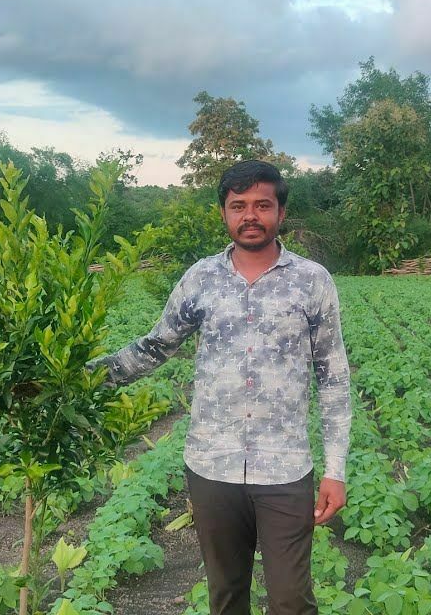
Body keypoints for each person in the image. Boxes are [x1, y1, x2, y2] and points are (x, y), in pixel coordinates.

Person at [86, 159, 351, 615]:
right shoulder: (200, 279)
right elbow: (155, 346)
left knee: (291, 598)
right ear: (224, 213)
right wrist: (83, 377)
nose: (251, 215)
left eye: (262, 205)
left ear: (280, 213)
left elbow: (333, 377)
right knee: (226, 595)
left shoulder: (313, 281)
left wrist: (336, 469)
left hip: (284, 468)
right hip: (212, 466)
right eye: (238, 205)